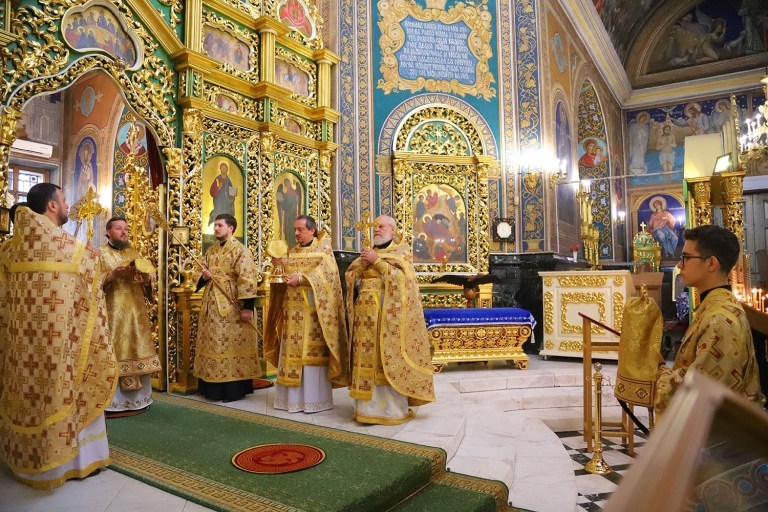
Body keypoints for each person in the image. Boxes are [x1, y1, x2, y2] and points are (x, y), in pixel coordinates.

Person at [0, 183, 118, 489]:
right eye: (64, 200)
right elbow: (97, 274)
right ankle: (72, 463)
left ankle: (25, 464)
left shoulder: (10, 248)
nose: (67, 206)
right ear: (52, 206)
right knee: (67, 386)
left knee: (25, 392)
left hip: (20, 349)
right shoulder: (70, 248)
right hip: (58, 345)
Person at [654, 225, 762, 414]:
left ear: (711, 263)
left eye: (686, 258)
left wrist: (660, 370)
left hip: (721, 437)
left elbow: (697, 394)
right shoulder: (715, 307)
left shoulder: (719, 321)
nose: (680, 265)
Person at [345, 216, 435, 424]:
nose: (376, 229)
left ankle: (389, 410)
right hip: (364, 316)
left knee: (384, 357)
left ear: (393, 230)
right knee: (366, 357)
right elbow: (351, 276)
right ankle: (365, 409)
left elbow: (405, 282)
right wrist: (361, 267)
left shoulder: (401, 253)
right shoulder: (368, 252)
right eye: (375, 226)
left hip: (387, 318)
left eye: (381, 226)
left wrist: (376, 261)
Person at [265, 215, 348, 413]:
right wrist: (278, 265)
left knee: (311, 360)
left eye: (300, 229)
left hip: (314, 319)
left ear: (312, 230)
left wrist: (302, 279)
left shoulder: (323, 251)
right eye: (294, 229)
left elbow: (327, 278)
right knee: (291, 356)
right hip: (291, 315)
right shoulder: (291, 252)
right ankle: (290, 401)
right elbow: (282, 276)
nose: (296, 233)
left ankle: (314, 401)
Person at [194, 213, 261, 402]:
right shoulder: (211, 250)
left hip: (231, 305)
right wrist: (203, 277)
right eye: (215, 225)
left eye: (220, 225)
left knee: (231, 345)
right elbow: (198, 272)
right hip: (210, 305)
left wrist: (248, 307)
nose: (215, 229)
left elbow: (247, 278)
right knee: (213, 343)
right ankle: (211, 388)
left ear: (231, 228)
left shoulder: (241, 250)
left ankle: (232, 389)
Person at [99, 217, 160, 417]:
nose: (124, 232)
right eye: (119, 228)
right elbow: (91, 283)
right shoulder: (100, 254)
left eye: (126, 228)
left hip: (136, 315)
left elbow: (151, 279)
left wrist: (145, 277)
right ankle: (113, 404)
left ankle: (138, 401)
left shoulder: (135, 253)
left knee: (137, 350)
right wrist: (113, 275)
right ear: (108, 232)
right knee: (115, 354)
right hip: (112, 316)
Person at [208, 162, 237, 226]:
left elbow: (231, 191)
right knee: (219, 217)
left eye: (225, 168)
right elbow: (212, 191)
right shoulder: (217, 179)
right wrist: (219, 187)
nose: (224, 170)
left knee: (226, 219)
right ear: (220, 169)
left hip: (227, 204)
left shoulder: (228, 180)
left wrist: (233, 194)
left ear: (227, 170)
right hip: (219, 202)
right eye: (222, 168)